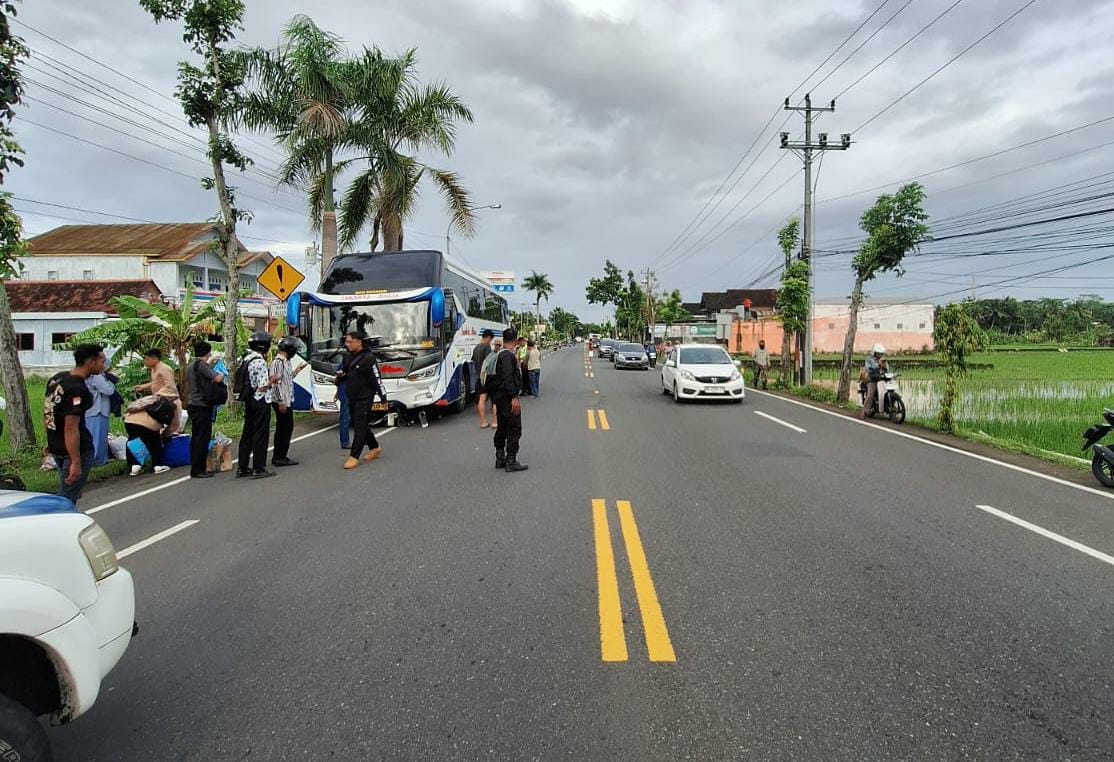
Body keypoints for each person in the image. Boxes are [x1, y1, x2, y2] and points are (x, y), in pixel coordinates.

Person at [45, 344, 105, 505]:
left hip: (57, 447)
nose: (103, 365)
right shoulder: (77, 388)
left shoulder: (57, 378)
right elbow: (71, 427)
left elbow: (49, 412)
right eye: (102, 361)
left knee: (68, 494)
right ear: (91, 362)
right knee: (66, 499)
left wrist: (50, 439)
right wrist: (76, 461)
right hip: (75, 450)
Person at [337, 330, 388, 470]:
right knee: (360, 424)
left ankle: (354, 456)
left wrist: (383, 398)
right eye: (346, 342)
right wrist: (339, 379)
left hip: (365, 397)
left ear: (359, 342)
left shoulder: (368, 358)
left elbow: (377, 379)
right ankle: (375, 447)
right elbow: (346, 374)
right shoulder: (347, 357)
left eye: (350, 342)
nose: (347, 345)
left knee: (359, 427)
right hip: (351, 396)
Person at [237, 331, 276, 479]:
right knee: (260, 434)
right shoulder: (259, 362)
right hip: (260, 400)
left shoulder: (246, 358)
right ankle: (259, 468)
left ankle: (242, 467)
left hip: (249, 400)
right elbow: (262, 386)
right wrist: (272, 380)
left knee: (247, 433)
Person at [491, 327, 528, 472]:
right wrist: (514, 397)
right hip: (507, 397)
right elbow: (507, 377)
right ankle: (511, 460)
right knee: (514, 427)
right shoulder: (508, 356)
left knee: (502, 426)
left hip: (499, 396)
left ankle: (500, 457)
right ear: (515, 340)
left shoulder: (499, 354)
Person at [186, 341, 224, 479]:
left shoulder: (191, 366)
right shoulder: (202, 365)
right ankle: (198, 469)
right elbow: (217, 378)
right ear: (208, 352)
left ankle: (197, 467)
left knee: (197, 436)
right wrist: (219, 373)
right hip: (201, 405)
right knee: (202, 437)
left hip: (193, 404)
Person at [124, 387, 181, 476]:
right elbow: (173, 425)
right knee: (154, 442)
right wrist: (166, 435)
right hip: (148, 425)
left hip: (129, 421)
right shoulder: (173, 404)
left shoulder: (149, 398)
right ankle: (157, 465)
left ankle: (134, 466)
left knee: (133, 441)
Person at [269, 336, 307, 468]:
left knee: (286, 428)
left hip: (286, 399)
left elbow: (286, 378)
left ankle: (281, 455)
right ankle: (279, 457)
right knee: (284, 429)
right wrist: (281, 402)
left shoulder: (285, 361)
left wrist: (296, 371)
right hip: (281, 400)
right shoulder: (278, 362)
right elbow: (276, 383)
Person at [84, 368, 115, 467]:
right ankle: (97, 460)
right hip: (98, 410)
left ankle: (100, 459)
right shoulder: (97, 377)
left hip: (91, 410)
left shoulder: (91, 376)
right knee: (97, 437)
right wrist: (111, 382)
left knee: (96, 436)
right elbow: (109, 390)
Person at [472, 328, 495, 428]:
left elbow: (474, 360)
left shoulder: (476, 348)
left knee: (481, 400)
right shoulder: (487, 347)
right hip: (487, 377)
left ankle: (483, 422)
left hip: (478, 377)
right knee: (495, 399)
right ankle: (495, 422)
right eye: (491, 339)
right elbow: (488, 362)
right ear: (489, 338)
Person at [861, 344, 887, 419]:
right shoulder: (869, 360)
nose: (880, 355)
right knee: (870, 395)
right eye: (878, 353)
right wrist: (877, 366)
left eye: (881, 354)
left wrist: (884, 366)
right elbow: (868, 369)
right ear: (874, 353)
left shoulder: (882, 360)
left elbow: (887, 369)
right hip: (872, 380)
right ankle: (864, 411)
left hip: (881, 379)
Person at [335, 360, 351, 450]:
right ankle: (345, 442)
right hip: (346, 391)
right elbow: (338, 378)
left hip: (353, 391)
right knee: (345, 417)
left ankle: (362, 438)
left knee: (359, 416)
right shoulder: (346, 362)